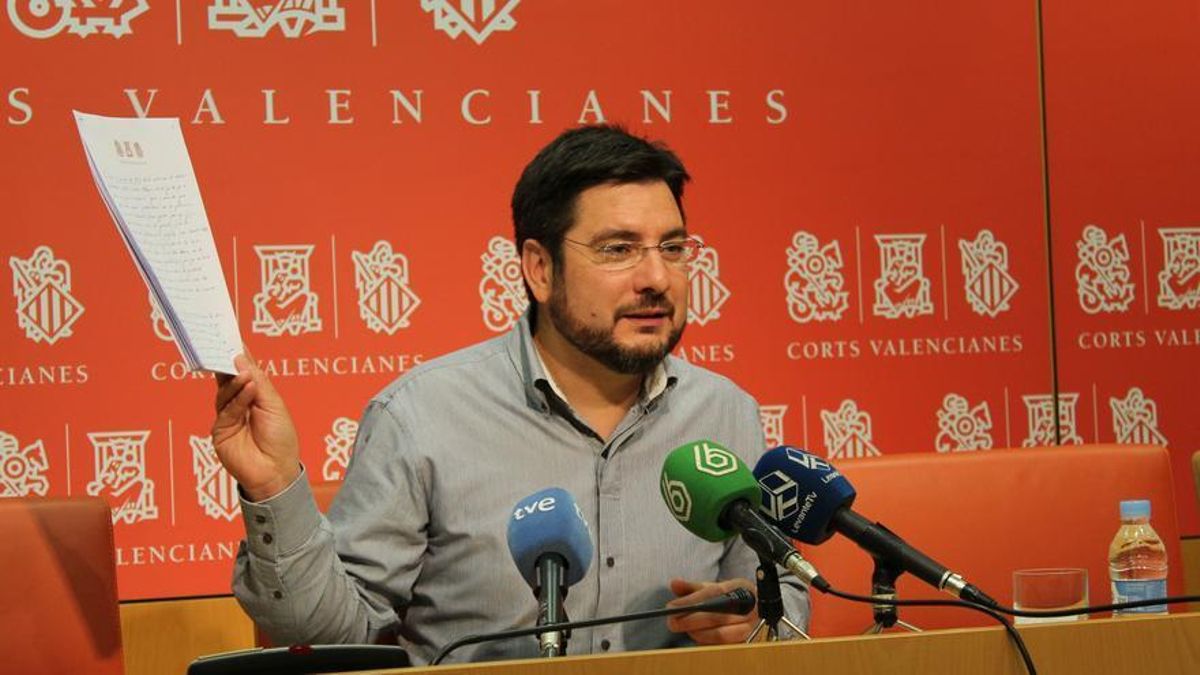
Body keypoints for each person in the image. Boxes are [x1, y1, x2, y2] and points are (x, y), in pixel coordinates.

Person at [211, 124, 810, 664]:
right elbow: (336, 639)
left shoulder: (724, 412)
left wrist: (760, 617)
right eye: (618, 249)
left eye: (673, 248)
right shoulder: (422, 417)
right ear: (539, 269)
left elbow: (777, 587)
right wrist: (273, 488)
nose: (657, 278)